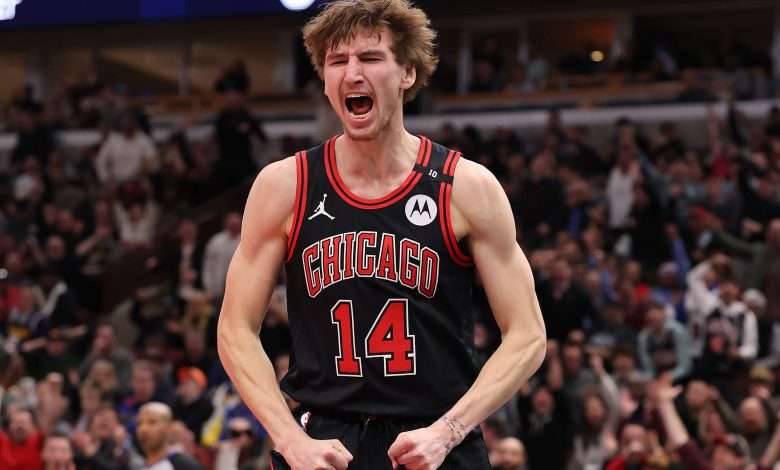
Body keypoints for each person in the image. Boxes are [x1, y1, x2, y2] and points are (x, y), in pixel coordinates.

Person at [216, 0, 546, 469]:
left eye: (369, 58)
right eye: (336, 62)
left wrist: (449, 431)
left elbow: (528, 335)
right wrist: (289, 440)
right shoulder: (285, 185)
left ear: (407, 72)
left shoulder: (465, 186)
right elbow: (234, 329)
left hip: (434, 438)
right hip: (325, 441)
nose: (351, 73)